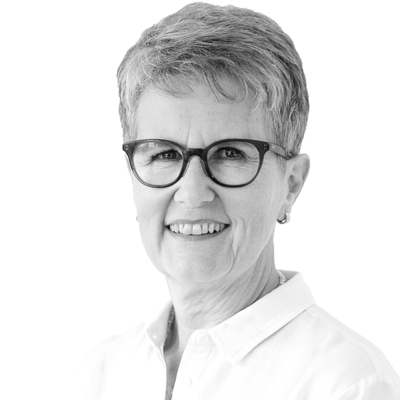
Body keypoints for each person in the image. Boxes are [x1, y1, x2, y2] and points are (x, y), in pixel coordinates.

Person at [56, 2, 400, 399]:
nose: (193, 193)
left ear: (292, 183)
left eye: (230, 153)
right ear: (130, 171)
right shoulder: (95, 376)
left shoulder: (345, 382)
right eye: (164, 154)